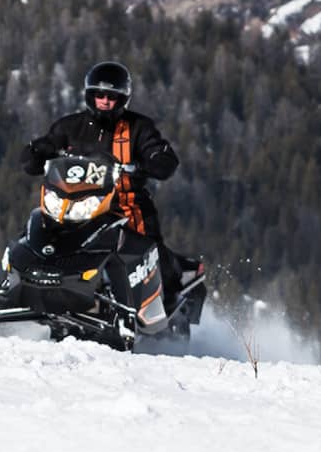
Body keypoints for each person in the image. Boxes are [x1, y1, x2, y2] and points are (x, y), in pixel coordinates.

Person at [21, 59, 192, 300]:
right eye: (99, 94)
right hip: (76, 203)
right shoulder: (71, 126)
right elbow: (48, 144)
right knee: (35, 231)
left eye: (111, 96)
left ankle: (166, 296)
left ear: (122, 99)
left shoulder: (138, 128)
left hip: (124, 203)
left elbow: (160, 153)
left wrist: (151, 161)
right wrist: (35, 153)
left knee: (147, 247)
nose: (105, 100)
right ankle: (11, 288)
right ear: (90, 95)